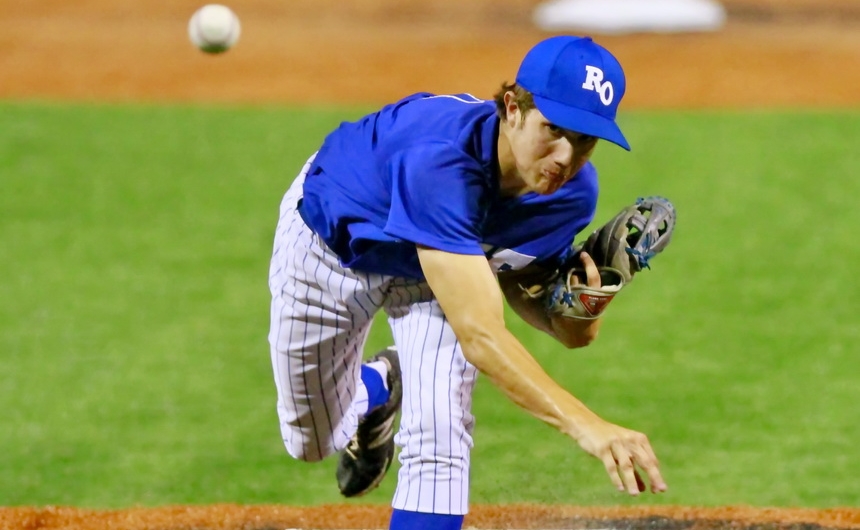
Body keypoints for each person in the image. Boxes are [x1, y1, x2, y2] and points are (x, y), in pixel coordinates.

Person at [267, 35, 668, 530]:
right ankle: (382, 383)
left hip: (444, 275)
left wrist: (585, 304)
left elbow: (561, 326)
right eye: (554, 129)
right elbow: (481, 334)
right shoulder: (441, 161)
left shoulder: (569, 196)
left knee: (440, 438)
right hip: (336, 250)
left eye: (585, 139)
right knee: (312, 443)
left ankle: (402, 389)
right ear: (513, 109)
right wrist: (588, 426)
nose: (567, 156)